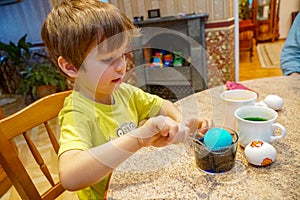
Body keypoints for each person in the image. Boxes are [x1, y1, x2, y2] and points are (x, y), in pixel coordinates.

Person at [41, 1, 211, 199]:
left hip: (134, 183)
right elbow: (70, 177)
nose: (121, 66)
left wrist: (182, 121)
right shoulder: (76, 112)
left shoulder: (124, 92)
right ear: (71, 67)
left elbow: (162, 105)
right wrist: (137, 139)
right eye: (108, 59)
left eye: (122, 55)